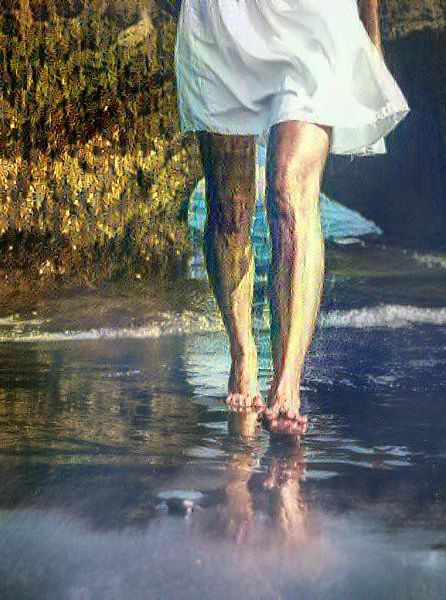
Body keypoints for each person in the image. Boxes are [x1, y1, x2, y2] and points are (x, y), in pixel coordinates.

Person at [174, 0, 410, 435]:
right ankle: (243, 358)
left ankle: (287, 382)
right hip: (223, 21)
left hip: (311, 17)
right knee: (229, 205)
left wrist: (370, 32)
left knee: (288, 194)